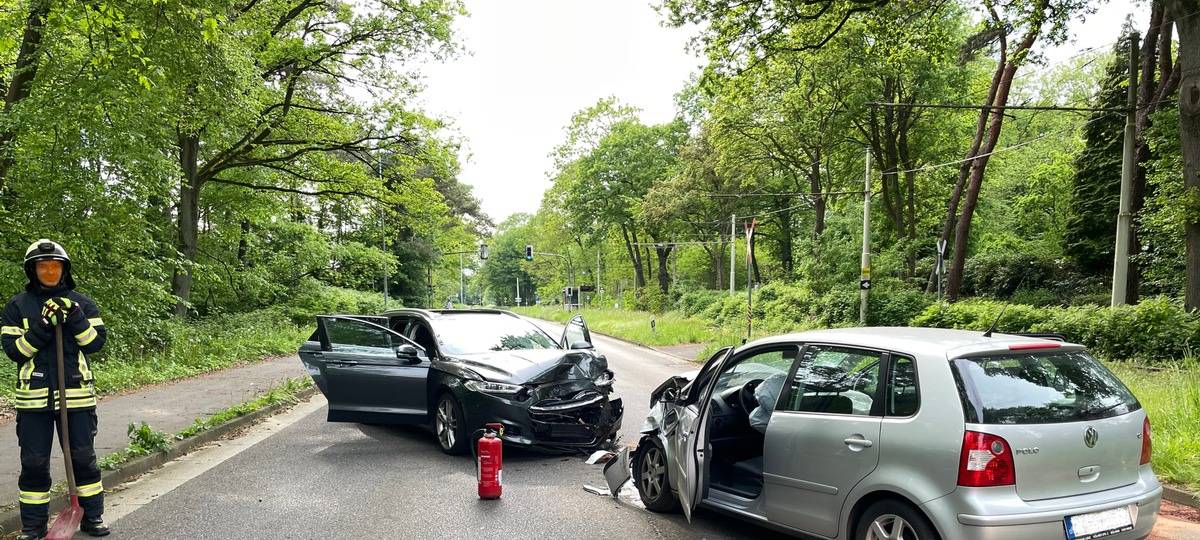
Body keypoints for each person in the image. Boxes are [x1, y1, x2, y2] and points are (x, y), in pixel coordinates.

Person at [1, 240, 109, 539]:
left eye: (55, 265)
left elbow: (95, 343)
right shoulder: (17, 306)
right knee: (34, 463)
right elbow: (16, 351)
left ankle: (92, 516)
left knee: (83, 457)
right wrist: (43, 326)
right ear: (32, 270)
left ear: (64, 269)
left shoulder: (83, 304)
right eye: (42, 266)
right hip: (33, 400)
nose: (49, 271)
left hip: (77, 396)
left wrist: (75, 320)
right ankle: (33, 527)